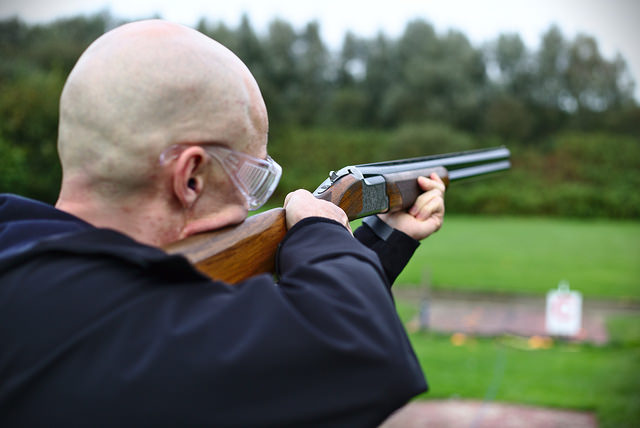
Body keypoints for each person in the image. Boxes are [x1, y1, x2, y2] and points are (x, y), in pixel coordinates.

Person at [0, 20, 446, 427]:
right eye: (253, 177)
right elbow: (362, 354)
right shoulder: (123, 323)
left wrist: (387, 236)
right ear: (190, 178)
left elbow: (271, 357)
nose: (253, 202)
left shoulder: (40, 280)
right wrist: (321, 228)